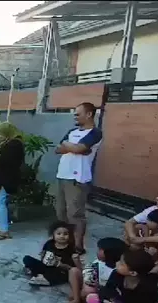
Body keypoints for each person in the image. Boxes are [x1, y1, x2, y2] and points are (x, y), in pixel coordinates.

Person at [55, 102, 103, 255]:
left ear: (89, 114)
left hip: (78, 179)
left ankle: (78, 246)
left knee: (75, 215)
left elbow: (79, 148)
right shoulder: (72, 131)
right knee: (61, 213)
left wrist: (71, 146)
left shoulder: (95, 133)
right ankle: (64, 242)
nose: (75, 116)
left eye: (78, 114)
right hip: (62, 175)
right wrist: (74, 148)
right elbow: (58, 149)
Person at [89, 249, 158, 303]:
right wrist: (109, 301)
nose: (117, 263)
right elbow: (108, 289)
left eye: (121, 264)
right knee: (91, 299)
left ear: (133, 273)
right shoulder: (117, 274)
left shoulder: (148, 287)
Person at [0, 122, 25, 240]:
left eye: (0, 134)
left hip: (5, 179)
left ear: (7, 133)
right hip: (2, 177)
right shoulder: (8, 143)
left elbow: (9, 161)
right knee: (0, 203)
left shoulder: (15, 144)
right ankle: (0, 225)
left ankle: (4, 231)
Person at [125, 186, 158, 274]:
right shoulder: (154, 209)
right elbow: (129, 222)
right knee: (137, 227)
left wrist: (143, 239)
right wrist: (133, 237)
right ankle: (133, 257)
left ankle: (155, 269)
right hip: (155, 239)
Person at [68, 237, 127, 303]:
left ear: (109, 253)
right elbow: (85, 272)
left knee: (88, 291)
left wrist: (97, 286)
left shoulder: (117, 271)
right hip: (89, 283)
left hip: (99, 292)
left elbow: (110, 290)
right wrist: (78, 263)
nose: (97, 252)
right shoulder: (98, 262)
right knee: (73, 271)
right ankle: (77, 300)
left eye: (99, 250)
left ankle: (79, 298)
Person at [22, 221, 79, 287]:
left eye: (65, 234)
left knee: (62, 276)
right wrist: (43, 256)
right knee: (27, 258)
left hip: (59, 271)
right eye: (59, 234)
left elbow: (71, 268)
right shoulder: (49, 243)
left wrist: (58, 264)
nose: (62, 236)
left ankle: (41, 277)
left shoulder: (71, 248)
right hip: (46, 267)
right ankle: (40, 275)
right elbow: (43, 255)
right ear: (53, 235)